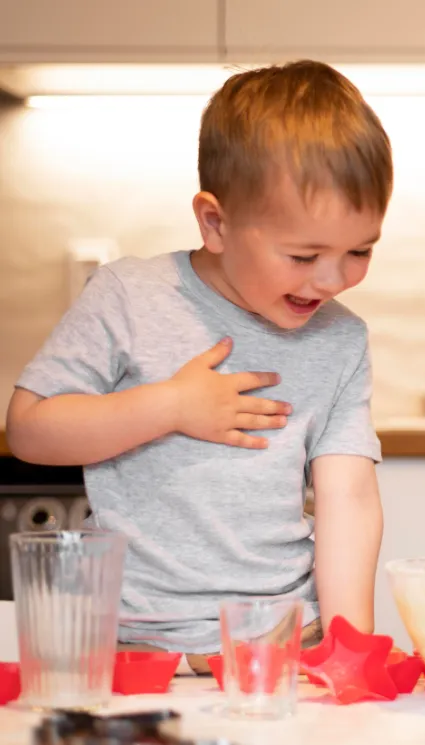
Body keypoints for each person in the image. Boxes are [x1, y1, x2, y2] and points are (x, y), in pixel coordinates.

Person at [5, 60, 391, 673]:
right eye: (303, 254)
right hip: (130, 649)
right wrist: (171, 406)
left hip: (282, 646)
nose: (331, 279)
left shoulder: (341, 339)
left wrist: (348, 649)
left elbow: (348, 497)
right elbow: (28, 429)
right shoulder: (128, 296)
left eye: (359, 251)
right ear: (215, 222)